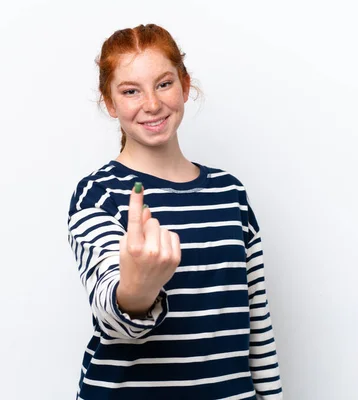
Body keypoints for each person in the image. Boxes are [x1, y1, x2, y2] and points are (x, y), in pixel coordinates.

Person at [66, 24, 283, 400]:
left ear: (185, 86)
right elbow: (113, 318)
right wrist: (138, 287)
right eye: (130, 91)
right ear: (110, 103)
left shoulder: (230, 193)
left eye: (163, 84)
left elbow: (257, 326)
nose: (151, 103)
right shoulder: (99, 194)